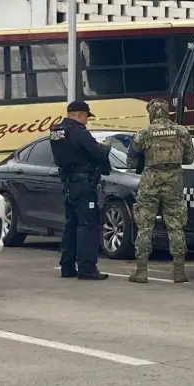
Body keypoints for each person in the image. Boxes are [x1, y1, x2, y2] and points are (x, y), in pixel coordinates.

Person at [125, 98, 194, 284]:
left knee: (145, 225)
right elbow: (189, 159)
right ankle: (179, 271)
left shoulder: (144, 133)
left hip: (150, 183)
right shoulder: (181, 132)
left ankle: (141, 271)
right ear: (167, 112)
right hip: (174, 183)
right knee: (176, 225)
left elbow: (130, 162)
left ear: (151, 113)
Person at [49, 100, 112, 281]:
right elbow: (97, 153)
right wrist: (105, 147)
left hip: (69, 183)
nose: (86, 120)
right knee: (87, 225)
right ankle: (87, 268)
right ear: (80, 114)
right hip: (84, 183)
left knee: (71, 224)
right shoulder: (77, 131)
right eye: (86, 116)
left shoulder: (56, 130)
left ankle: (67, 266)